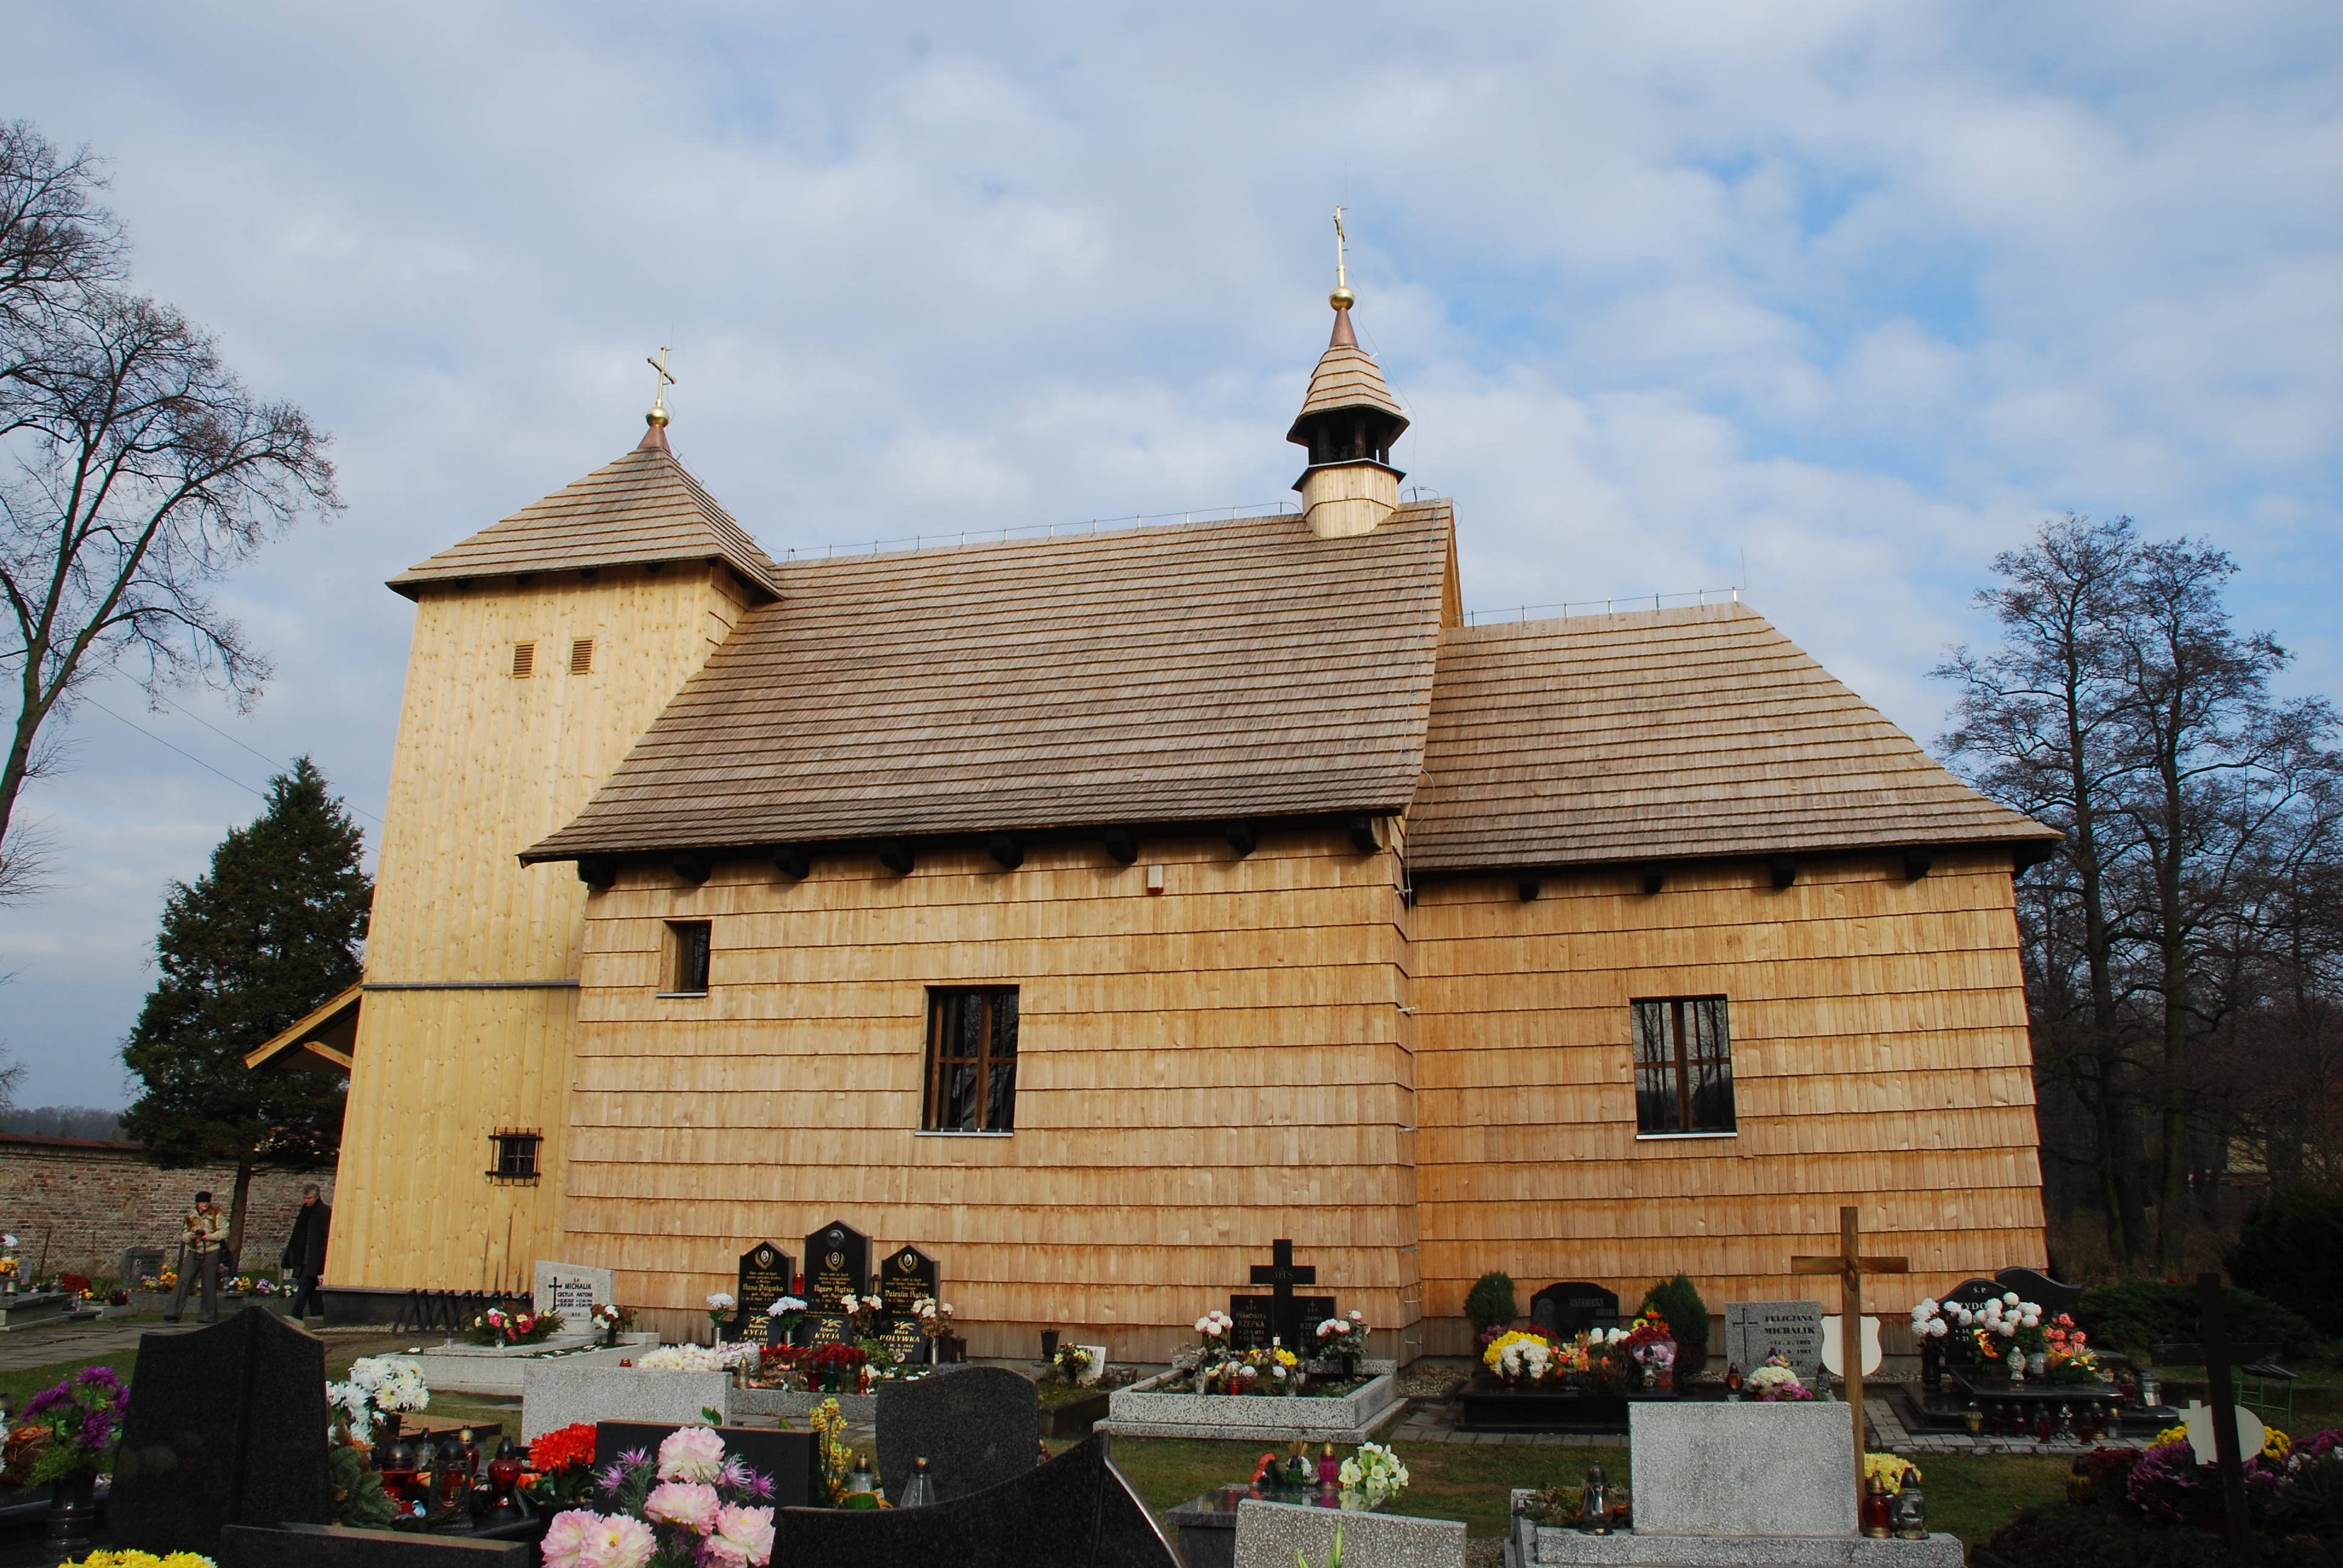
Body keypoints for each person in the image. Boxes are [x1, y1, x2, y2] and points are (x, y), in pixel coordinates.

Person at [166, 1191, 224, 1323]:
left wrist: (208, 1236)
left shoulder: (216, 1213)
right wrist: (191, 1236)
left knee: (209, 1283)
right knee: (184, 1280)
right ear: (197, 1203)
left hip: (211, 1251)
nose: (205, 1205)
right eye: (203, 1202)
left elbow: (224, 1231)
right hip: (194, 1251)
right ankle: (173, 1312)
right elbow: (184, 1235)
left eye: (207, 1202)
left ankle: (208, 1316)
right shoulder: (190, 1216)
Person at [282, 1183, 330, 1319]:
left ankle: (296, 1314)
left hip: (314, 1256)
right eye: (305, 1198)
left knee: (304, 1284)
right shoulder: (305, 1211)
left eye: (309, 1198)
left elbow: (325, 1236)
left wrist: (321, 1254)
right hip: (304, 1255)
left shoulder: (324, 1212)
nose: (307, 1201)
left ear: (316, 1197)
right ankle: (318, 1314)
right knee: (312, 1288)